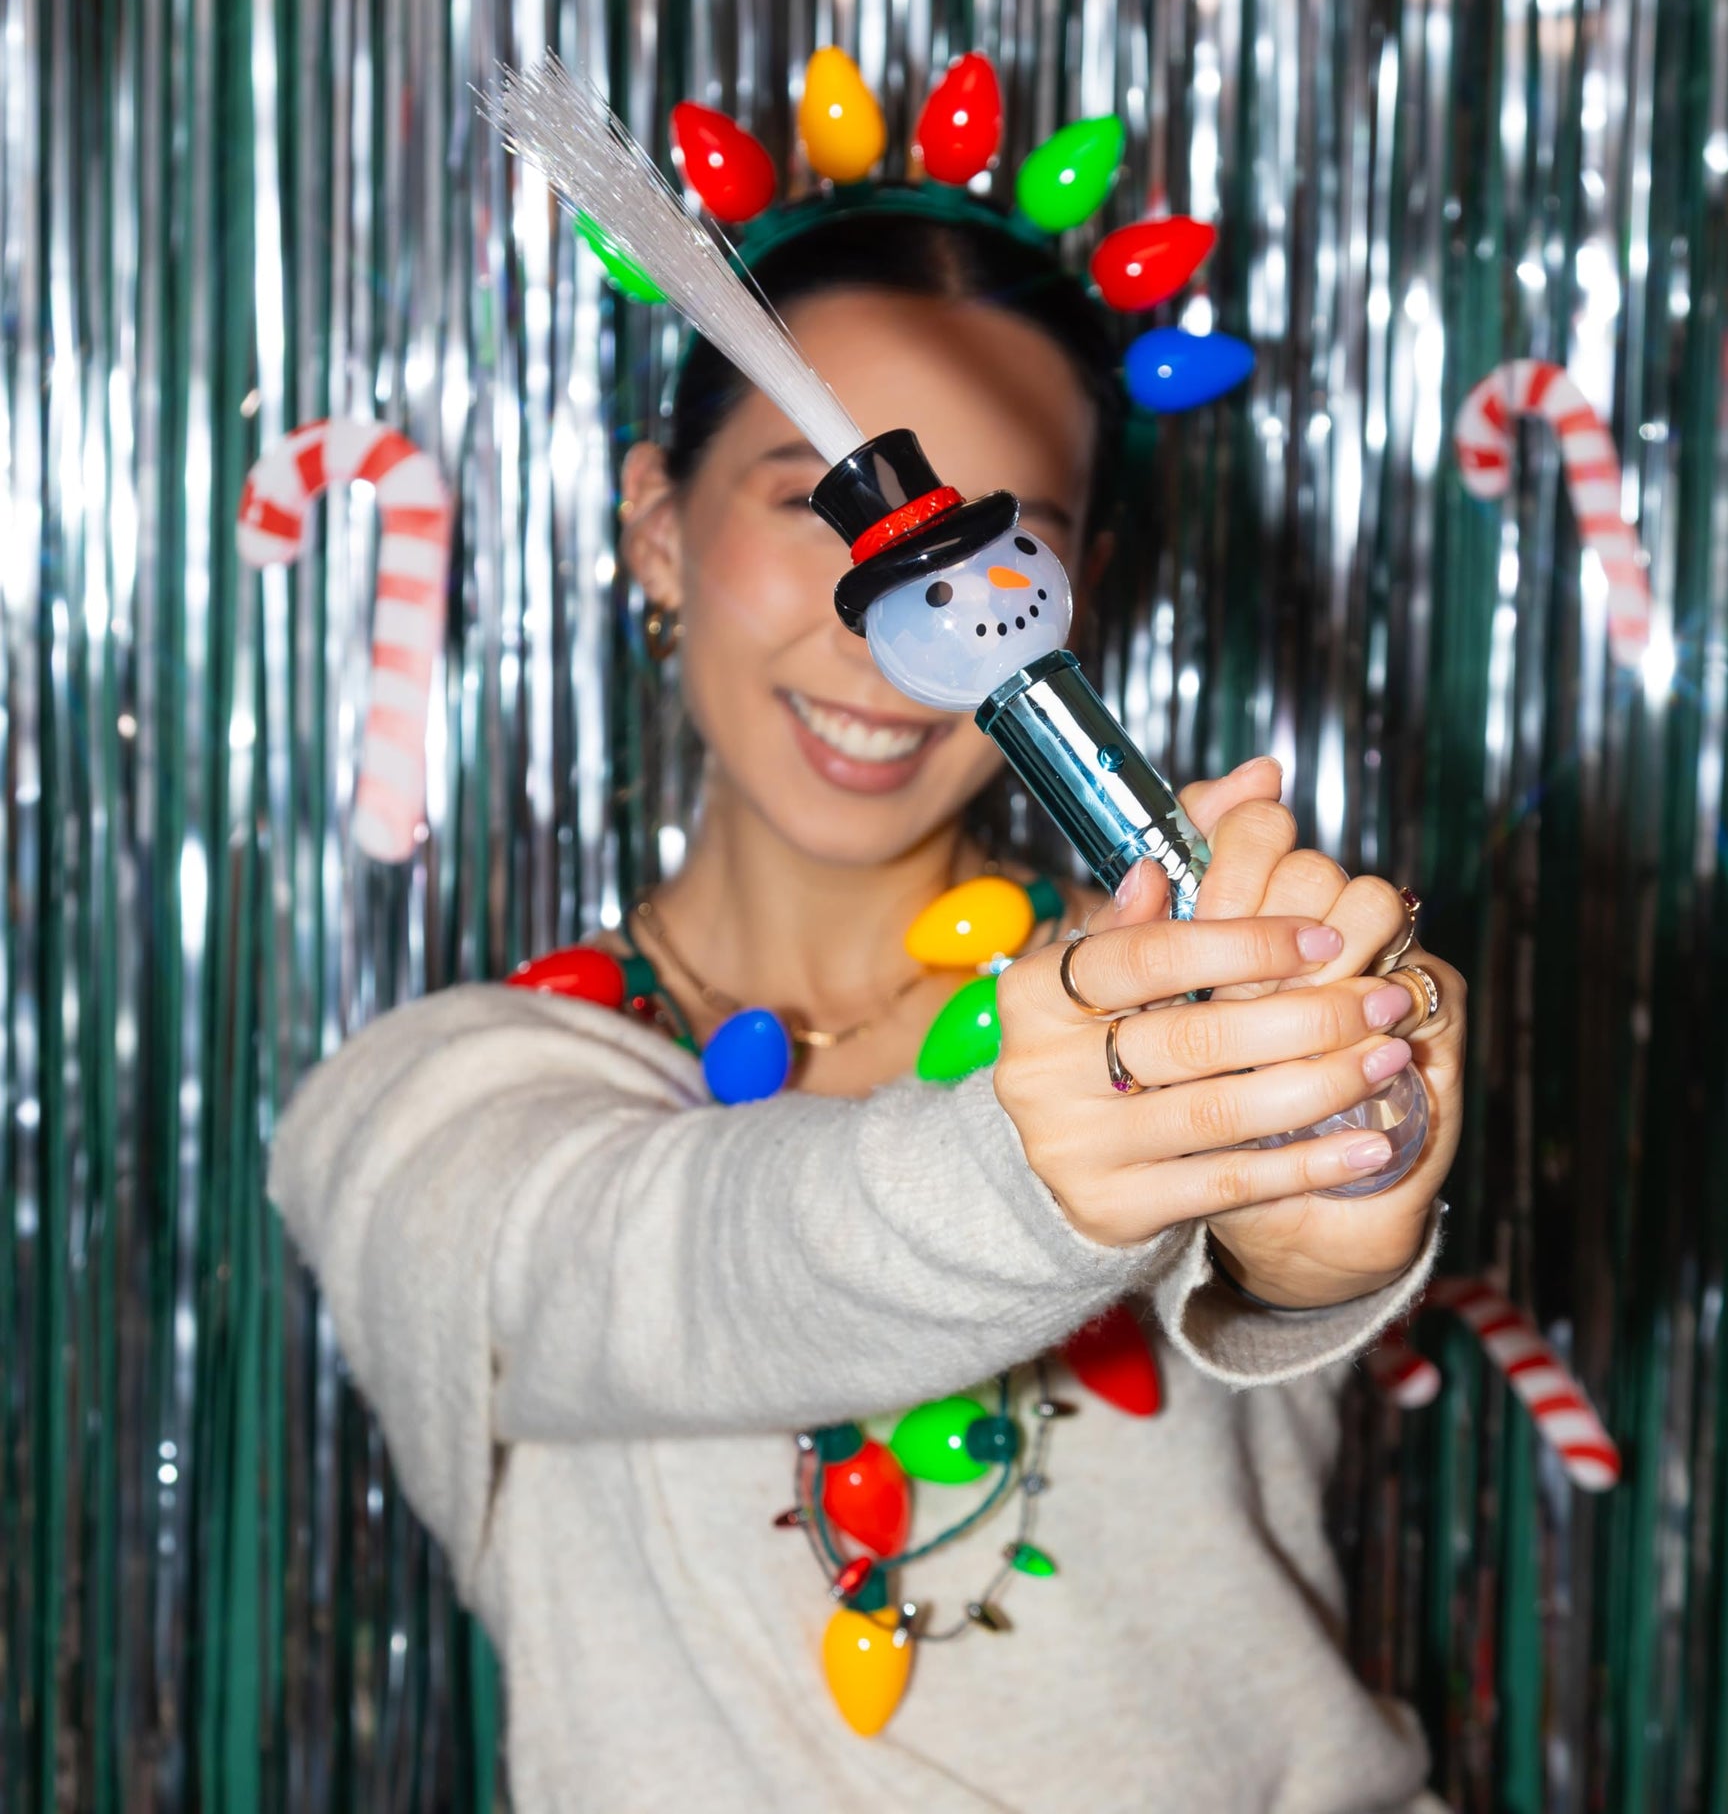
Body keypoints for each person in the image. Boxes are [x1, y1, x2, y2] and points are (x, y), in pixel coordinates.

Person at [268, 201, 1465, 1813]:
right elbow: (656, 1264)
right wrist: (1028, 1169)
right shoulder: (431, 1112)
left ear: (1076, 588)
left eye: (995, 543)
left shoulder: (1208, 1002)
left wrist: (1330, 1226)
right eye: (806, 503)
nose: (900, 622)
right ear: (656, 524)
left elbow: (1288, 1265)